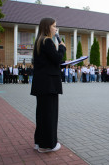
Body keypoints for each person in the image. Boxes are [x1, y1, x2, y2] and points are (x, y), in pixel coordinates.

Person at [31, 18, 66, 153]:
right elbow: (57, 59)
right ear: (47, 27)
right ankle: (47, 145)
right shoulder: (47, 41)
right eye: (54, 26)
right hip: (49, 84)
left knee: (42, 114)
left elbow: (49, 62)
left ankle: (39, 141)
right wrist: (62, 47)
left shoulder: (39, 41)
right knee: (50, 114)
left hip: (41, 84)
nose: (56, 29)